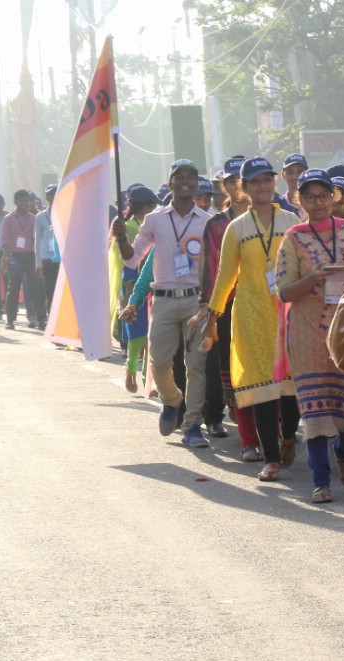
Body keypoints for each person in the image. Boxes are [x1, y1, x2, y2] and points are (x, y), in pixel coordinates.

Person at [198, 157, 301, 480]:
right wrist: (212, 317)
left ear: (275, 183)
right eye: (255, 182)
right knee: (262, 390)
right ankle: (271, 458)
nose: (262, 186)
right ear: (244, 188)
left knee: (291, 389)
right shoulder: (236, 228)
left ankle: (287, 437)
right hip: (251, 318)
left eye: (267, 180)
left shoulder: (292, 221)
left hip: (289, 316)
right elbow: (225, 276)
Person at [115, 160, 214, 447]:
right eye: (178, 177)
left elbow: (214, 265)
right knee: (158, 364)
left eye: (190, 177)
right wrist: (121, 237)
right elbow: (133, 258)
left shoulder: (207, 221)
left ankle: (193, 424)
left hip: (197, 301)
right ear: (169, 184)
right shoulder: (155, 220)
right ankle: (172, 400)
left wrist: (210, 303)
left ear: (196, 184)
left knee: (196, 364)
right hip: (164, 301)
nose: (185, 181)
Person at [275, 168, 344, 502]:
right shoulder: (294, 238)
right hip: (308, 333)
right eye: (310, 196)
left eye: (324, 195)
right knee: (313, 409)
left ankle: (343, 455)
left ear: (333, 197)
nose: (318, 201)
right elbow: (283, 292)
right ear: (301, 199)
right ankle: (320, 482)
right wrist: (314, 279)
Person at [198, 155, 257, 446]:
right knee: (220, 363)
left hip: (260, 302)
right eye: (231, 180)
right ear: (226, 185)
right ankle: (215, 415)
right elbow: (211, 268)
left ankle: (268, 421)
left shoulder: (270, 217)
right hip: (227, 302)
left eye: (240, 179)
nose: (237, 186)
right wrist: (210, 307)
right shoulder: (217, 224)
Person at [113, 186, 159, 394]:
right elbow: (126, 258)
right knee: (136, 333)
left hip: (154, 280)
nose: (153, 208)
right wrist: (121, 238)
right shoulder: (128, 227)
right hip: (132, 282)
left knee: (151, 332)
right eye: (150, 205)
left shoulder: (156, 224)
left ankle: (147, 376)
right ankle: (131, 370)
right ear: (142, 207)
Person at [1, 190, 44, 331]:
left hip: (30, 256)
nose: (24, 204)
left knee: (35, 288)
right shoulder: (8, 219)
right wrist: (9, 257)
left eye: (26, 201)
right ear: (16, 202)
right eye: (21, 201)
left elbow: (38, 239)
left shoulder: (34, 218)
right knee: (13, 289)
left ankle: (41, 319)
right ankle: (10, 320)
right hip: (15, 257)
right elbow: (5, 240)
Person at [34, 184, 60, 317]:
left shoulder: (64, 213)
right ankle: (50, 316)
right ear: (46, 197)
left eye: (55, 193)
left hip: (61, 258)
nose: (53, 196)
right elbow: (37, 240)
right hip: (47, 258)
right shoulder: (40, 217)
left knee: (60, 290)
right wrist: (38, 263)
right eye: (50, 194)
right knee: (49, 289)